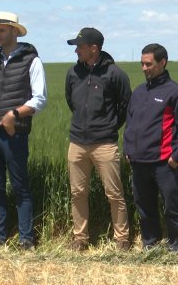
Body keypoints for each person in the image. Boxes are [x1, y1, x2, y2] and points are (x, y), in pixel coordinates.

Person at [0, 11, 47, 250]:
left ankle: (26, 239)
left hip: (14, 134)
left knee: (19, 186)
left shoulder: (31, 60)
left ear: (15, 31)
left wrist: (13, 115)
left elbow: (40, 99)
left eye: (2, 30)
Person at [65, 27, 131, 251]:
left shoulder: (115, 74)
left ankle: (122, 239)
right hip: (77, 143)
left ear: (94, 48)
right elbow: (70, 102)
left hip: (105, 143)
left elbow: (124, 107)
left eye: (80, 47)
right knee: (77, 193)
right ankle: (80, 239)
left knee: (114, 193)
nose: (76, 51)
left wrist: (109, 126)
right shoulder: (74, 73)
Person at [123, 43, 178, 252]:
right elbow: (130, 123)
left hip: (165, 162)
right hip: (139, 162)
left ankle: (175, 248)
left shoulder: (173, 91)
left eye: (149, 64)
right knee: (145, 208)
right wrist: (128, 150)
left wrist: (176, 157)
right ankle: (150, 245)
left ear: (162, 62)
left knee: (172, 209)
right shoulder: (139, 92)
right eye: (142, 64)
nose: (144, 68)